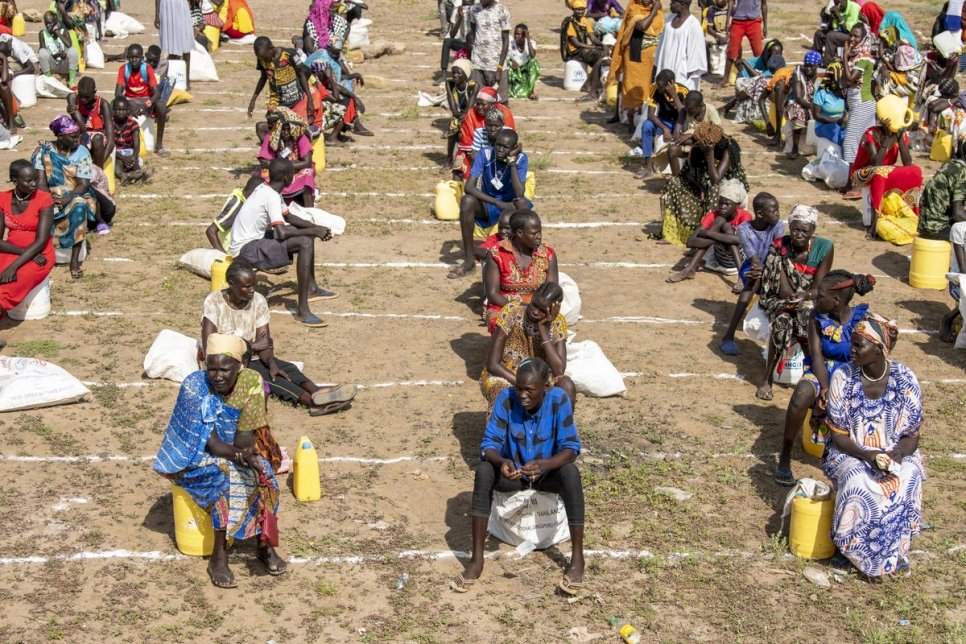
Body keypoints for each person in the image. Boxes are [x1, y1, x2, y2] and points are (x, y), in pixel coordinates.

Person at [153, 333, 287, 589]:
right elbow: (211, 443)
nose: (217, 376)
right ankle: (218, 556)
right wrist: (241, 457)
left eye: (224, 369)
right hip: (192, 453)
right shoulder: (195, 386)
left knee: (266, 475)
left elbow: (244, 435)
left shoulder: (251, 383)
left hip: (232, 447)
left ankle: (264, 543)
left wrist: (249, 457)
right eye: (211, 369)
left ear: (240, 366)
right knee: (222, 480)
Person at [452, 357, 585, 595]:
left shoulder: (558, 400)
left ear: (545, 388)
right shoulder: (506, 399)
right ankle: (477, 561)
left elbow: (571, 448)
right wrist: (502, 462)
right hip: (515, 476)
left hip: (546, 476)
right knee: (484, 471)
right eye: (519, 388)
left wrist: (545, 465)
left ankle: (577, 560)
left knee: (570, 473)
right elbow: (488, 444)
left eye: (529, 390)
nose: (522, 395)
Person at [824, 316, 924, 580]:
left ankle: (895, 551)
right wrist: (867, 455)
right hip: (850, 451)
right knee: (857, 479)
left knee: (909, 476)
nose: (852, 351)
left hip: (893, 451)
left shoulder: (905, 379)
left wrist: (898, 454)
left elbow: (912, 437)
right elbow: (838, 436)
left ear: (879, 348)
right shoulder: (843, 377)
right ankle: (847, 549)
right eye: (852, 345)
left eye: (859, 346)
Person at [201, 260, 359, 416]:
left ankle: (316, 391)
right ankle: (312, 403)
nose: (252, 290)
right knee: (269, 379)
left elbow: (265, 342)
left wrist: (271, 363)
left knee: (287, 368)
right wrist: (251, 346)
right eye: (246, 286)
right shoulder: (214, 302)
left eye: (254, 285)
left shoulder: (258, 301)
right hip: (226, 363)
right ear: (231, 283)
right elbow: (211, 346)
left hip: (251, 357)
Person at [774, 271, 876, 486]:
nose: (816, 299)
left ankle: (860, 461)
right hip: (823, 370)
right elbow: (816, 354)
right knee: (800, 396)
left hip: (851, 373)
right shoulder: (817, 318)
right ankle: (785, 456)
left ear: (836, 300)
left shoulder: (862, 319)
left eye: (820, 297)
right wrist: (825, 387)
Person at [227, 158, 335, 327]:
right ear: (287, 178)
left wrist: (318, 227)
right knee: (305, 241)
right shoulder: (270, 196)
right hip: (245, 250)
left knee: (307, 236)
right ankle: (302, 310)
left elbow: (289, 217)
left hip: (254, 241)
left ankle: (311, 289)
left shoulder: (269, 190)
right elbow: (281, 231)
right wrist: (314, 231)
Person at [756, 205, 834, 400]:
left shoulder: (825, 248)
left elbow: (819, 287)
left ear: (813, 231)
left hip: (809, 297)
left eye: (804, 231)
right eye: (795, 229)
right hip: (781, 297)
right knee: (782, 322)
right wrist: (792, 301)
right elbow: (780, 286)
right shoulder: (780, 245)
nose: (799, 234)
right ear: (789, 226)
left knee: (807, 319)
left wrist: (803, 297)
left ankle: (814, 373)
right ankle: (767, 379)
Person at [480, 281, 575, 412]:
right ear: (532, 297)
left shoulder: (558, 323)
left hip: (540, 383)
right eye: (534, 305)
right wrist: (524, 386)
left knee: (566, 385)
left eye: (542, 310)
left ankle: (561, 431)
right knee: (501, 390)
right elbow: (493, 365)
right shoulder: (512, 311)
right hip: (505, 376)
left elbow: (559, 371)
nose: (535, 312)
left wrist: (543, 328)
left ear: (554, 308)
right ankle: (501, 431)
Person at [449, 129, 529, 279]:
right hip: (489, 202)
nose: (499, 149)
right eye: (498, 145)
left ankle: (522, 260)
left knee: (525, 207)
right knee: (467, 201)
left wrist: (512, 163)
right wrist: (496, 202)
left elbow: (519, 193)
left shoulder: (521, 159)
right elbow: (469, 187)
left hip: (510, 205)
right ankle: (468, 261)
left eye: (505, 147)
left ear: (513, 148)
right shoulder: (485, 153)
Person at [31, 116, 101, 279]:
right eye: (73, 136)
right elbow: (40, 181)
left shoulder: (82, 152)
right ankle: (44, 253)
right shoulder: (44, 151)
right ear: (60, 136)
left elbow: (83, 183)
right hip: (48, 194)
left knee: (79, 207)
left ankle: (74, 261)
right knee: (40, 210)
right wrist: (50, 198)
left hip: (74, 194)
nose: (77, 139)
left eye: (78, 135)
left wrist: (66, 198)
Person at [660, 121, 748, 246]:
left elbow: (715, 180)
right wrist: (687, 138)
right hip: (705, 184)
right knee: (674, 183)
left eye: (699, 143)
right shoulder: (699, 143)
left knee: (713, 189)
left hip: (727, 188)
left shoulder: (728, 148)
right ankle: (676, 233)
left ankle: (706, 239)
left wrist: (710, 154)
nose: (696, 144)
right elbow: (691, 169)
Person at [719, 192, 785, 355]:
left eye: (778, 209)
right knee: (754, 278)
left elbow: (778, 254)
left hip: (774, 264)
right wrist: (762, 269)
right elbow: (753, 259)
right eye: (773, 210)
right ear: (761, 213)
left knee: (768, 276)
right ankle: (729, 335)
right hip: (751, 268)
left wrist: (768, 268)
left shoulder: (778, 226)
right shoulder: (744, 229)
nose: (777, 213)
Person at [849, 116, 922, 240]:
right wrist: (886, 142)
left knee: (914, 171)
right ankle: (875, 223)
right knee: (880, 173)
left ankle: (910, 217)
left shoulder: (901, 134)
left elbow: (907, 163)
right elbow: (876, 163)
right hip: (861, 172)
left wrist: (899, 139)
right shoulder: (871, 133)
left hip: (884, 170)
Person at [483, 209, 558, 329]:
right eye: (534, 233)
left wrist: (535, 311)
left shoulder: (547, 254)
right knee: (504, 325)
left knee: (556, 326)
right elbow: (492, 294)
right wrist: (521, 309)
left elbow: (552, 292)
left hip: (538, 309)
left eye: (540, 232)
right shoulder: (497, 253)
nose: (539, 237)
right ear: (520, 233)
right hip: (504, 307)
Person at [666, 179, 751, 283]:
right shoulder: (713, 215)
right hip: (720, 257)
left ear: (737, 205)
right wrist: (718, 239)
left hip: (740, 257)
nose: (722, 207)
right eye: (720, 203)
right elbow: (690, 242)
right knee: (719, 220)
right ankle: (690, 269)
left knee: (727, 228)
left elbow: (740, 240)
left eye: (727, 204)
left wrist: (709, 233)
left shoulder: (745, 216)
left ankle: (741, 275)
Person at [0, 160, 55, 319]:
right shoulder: (3, 199)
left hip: (40, 255)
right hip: (12, 250)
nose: (34, 184)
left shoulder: (44, 199)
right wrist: (21, 253)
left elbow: (41, 241)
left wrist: (13, 267)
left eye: (35, 179)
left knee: (7, 289)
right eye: (28, 180)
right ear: (15, 181)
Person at [605, 0, 663, 122]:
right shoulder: (634, 9)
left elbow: (658, 31)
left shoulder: (659, 11)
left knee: (648, 85)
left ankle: (642, 116)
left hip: (651, 56)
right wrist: (653, 11)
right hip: (634, 54)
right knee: (629, 85)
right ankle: (627, 117)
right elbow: (642, 26)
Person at [249, 37, 316, 130]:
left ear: (271, 48)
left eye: (265, 57)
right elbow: (263, 77)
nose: (264, 60)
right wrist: (253, 100)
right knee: (273, 126)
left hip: (295, 99)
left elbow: (302, 73)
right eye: (260, 58)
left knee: (298, 128)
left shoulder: (289, 54)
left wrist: (310, 99)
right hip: (276, 100)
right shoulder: (261, 59)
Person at [115, 43, 170, 157]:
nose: (134, 60)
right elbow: (118, 93)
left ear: (142, 58)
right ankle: (118, 141)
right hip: (130, 100)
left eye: (137, 57)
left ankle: (159, 145)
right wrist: (127, 105)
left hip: (146, 100)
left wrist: (145, 105)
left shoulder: (147, 69)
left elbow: (156, 93)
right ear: (127, 57)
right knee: (113, 105)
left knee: (161, 106)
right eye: (131, 57)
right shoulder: (123, 69)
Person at [256, 107, 317, 207]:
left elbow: (307, 162)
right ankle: (271, 206)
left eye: (288, 130)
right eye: (282, 130)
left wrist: (278, 165)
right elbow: (264, 161)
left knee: (307, 175)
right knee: (262, 177)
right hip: (280, 170)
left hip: (295, 169)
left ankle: (310, 211)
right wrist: (287, 165)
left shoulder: (300, 137)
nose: (285, 132)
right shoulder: (272, 136)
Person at [637, 69, 687, 179]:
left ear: (671, 83)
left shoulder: (683, 91)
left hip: (680, 122)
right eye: (657, 84)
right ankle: (648, 167)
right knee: (646, 126)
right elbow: (650, 114)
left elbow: (683, 114)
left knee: (683, 132)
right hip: (663, 121)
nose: (658, 89)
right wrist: (664, 128)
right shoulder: (655, 89)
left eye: (661, 86)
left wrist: (674, 95)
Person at [455, 86, 514, 178]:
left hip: (501, 151)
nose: (479, 107)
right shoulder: (471, 114)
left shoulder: (505, 113)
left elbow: (510, 140)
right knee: (460, 159)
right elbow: (468, 142)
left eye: (483, 104)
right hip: (475, 151)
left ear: (492, 104)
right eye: (477, 104)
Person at [720, 38, 782, 124]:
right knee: (741, 82)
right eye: (773, 54)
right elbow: (742, 77)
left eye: (778, 54)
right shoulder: (756, 61)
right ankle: (736, 108)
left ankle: (729, 106)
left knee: (760, 83)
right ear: (766, 53)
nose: (775, 57)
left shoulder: (779, 65)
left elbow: (761, 80)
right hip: (752, 93)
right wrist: (739, 64)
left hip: (768, 97)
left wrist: (744, 63)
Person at [841, 23, 877, 168]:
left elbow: (850, 78)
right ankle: (868, 174)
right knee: (866, 141)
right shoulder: (854, 56)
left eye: (856, 36)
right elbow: (844, 81)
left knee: (850, 141)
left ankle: (853, 183)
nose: (852, 38)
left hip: (863, 104)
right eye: (851, 34)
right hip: (860, 104)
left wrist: (843, 55)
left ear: (863, 38)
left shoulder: (863, 58)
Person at [666, 91, 723, 176]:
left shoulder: (711, 111)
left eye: (691, 110)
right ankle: (677, 181)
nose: (688, 112)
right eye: (687, 109)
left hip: (707, 147)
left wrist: (691, 134)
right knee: (671, 150)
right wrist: (685, 138)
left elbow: (717, 134)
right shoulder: (684, 111)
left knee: (704, 144)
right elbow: (676, 136)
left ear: (700, 106)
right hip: (691, 145)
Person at [654, 0, 707, 91]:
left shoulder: (693, 25)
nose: (670, 5)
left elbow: (696, 55)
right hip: (665, 66)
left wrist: (686, 77)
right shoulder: (669, 20)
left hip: (682, 73)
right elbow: (661, 46)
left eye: (673, 3)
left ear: (683, 4)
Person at [562, 0, 607, 102]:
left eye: (582, 10)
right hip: (574, 52)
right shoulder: (570, 22)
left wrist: (602, 44)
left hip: (583, 49)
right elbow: (576, 43)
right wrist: (593, 48)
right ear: (573, 10)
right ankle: (589, 85)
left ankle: (589, 83)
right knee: (601, 56)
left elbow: (593, 39)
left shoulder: (585, 21)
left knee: (604, 54)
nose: (580, 12)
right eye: (578, 10)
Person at [467, 0, 511, 100]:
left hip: (496, 65)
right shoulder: (474, 9)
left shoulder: (502, 10)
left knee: (500, 102)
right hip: (478, 64)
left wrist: (499, 67)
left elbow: (506, 40)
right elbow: (473, 32)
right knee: (479, 100)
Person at [206, 176, 263, 253]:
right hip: (231, 253)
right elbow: (211, 231)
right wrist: (223, 256)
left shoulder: (247, 201)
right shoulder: (237, 206)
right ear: (253, 192)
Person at [67, 77, 114, 169]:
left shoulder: (103, 104)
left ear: (94, 92)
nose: (83, 100)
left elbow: (111, 141)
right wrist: (74, 113)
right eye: (81, 96)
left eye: (87, 97)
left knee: (97, 138)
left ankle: (97, 173)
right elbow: (83, 129)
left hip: (98, 140)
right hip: (81, 135)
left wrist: (96, 167)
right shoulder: (74, 99)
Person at [783, 51, 819, 158]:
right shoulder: (797, 74)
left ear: (817, 66)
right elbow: (798, 98)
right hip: (797, 104)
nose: (808, 68)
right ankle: (795, 148)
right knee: (799, 111)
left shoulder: (822, 74)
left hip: (815, 104)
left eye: (811, 66)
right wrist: (814, 107)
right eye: (806, 65)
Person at [721, 0, 767, 86]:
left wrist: (765, 25)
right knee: (732, 51)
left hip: (754, 22)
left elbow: (764, 5)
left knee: (758, 52)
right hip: (738, 22)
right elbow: (731, 2)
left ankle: (763, 75)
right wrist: (727, 21)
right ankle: (725, 78)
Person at [444, 59, 478, 170]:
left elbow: (470, 109)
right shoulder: (450, 84)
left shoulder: (473, 86)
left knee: (465, 123)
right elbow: (453, 109)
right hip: (459, 114)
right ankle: (449, 159)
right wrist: (459, 117)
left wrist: (463, 117)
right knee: (453, 123)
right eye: (453, 72)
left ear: (466, 75)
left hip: (473, 113)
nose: (455, 75)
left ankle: (472, 157)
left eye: (459, 73)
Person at [110, 97, 152, 185]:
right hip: (116, 153)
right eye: (118, 110)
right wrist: (123, 158)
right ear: (113, 111)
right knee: (117, 163)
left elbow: (137, 145)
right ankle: (123, 176)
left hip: (130, 152)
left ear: (128, 110)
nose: (121, 112)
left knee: (133, 162)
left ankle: (138, 174)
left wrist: (133, 157)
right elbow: (110, 145)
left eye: (124, 110)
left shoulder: (133, 124)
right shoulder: (109, 124)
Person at [811, 61, 847, 149]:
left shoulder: (843, 93)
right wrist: (836, 121)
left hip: (840, 124)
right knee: (843, 139)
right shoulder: (822, 93)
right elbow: (816, 115)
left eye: (836, 79)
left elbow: (847, 110)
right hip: (823, 126)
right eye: (830, 78)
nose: (833, 82)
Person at [813, 0, 861, 66]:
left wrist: (838, 15)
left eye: (838, 2)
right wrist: (831, 19)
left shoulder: (854, 8)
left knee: (831, 36)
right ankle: (815, 61)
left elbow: (848, 31)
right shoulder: (838, 8)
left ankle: (827, 64)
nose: (836, 4)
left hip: (853, 37)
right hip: (839, 34)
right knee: (819, 34)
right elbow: (833, 28)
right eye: (835, 2)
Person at [38, 10, 78, 87]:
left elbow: (69, 45)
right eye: (46, 23)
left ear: (56, 22)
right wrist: (57, 55)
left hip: (63, 65)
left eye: (50, 23)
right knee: (42, 52)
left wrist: (57, 32)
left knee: (73, 51)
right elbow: (44, 54)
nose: (48, 25)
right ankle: (48, 80)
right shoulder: (42, 33)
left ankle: (72, 82)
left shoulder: (64, 32)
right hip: (51, 65)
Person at [507, 23, 539, 100]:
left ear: (524, 35)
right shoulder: (510, 43)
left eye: (519, 34)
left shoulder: (531, 43)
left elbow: (532, 55)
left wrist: (527, 39)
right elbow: (505, 57)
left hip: (525, 70)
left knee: (533, 63)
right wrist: (510, 62)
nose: (516, 36)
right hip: (515, 70)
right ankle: (508, 90)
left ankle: (531, 91)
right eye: (515, 34)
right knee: (507, 65)